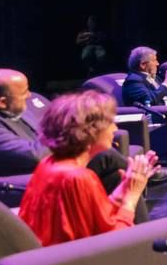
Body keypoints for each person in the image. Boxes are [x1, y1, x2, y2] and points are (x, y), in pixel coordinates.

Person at [0, 67, 167, 189]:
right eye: (24, 93)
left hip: (53, 170)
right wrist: (80, 135)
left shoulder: (11, 112)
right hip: (25, 183)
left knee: (116, 173)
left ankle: (129, 233)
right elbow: (35, 156)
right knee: (106, 158)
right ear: (1, 102)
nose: (29, 96)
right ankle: (140, 175)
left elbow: (47, 135)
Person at [17, 90, 157, 246]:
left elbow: (96, 219)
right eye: (111, 123)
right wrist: (132, 196)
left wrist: (123, 189)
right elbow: (113, 240)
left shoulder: (49, 164)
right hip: (75, 259)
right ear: (90, 130)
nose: (115, 129)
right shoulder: (78, 177)